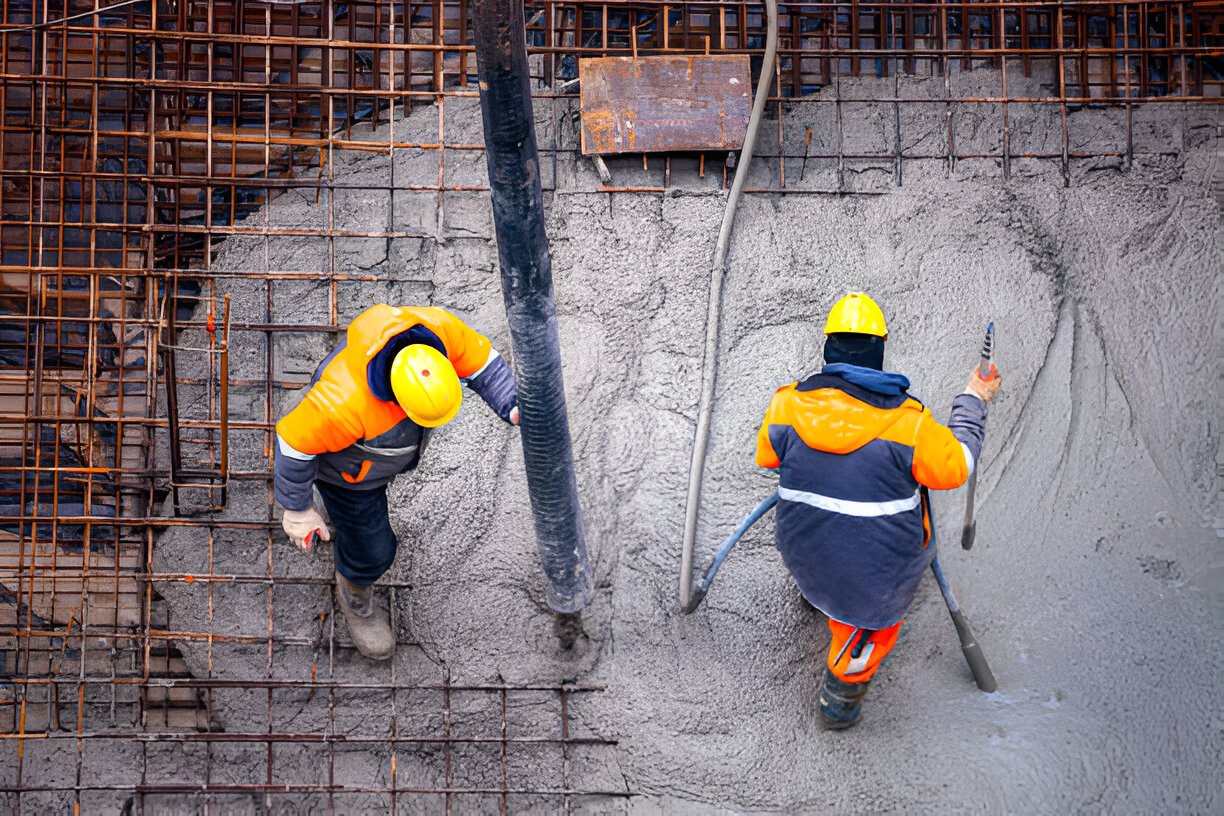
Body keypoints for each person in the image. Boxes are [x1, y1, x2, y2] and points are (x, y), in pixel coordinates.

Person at [754, 292, 1001, 729]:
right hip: (875, 577)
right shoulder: (911, 424)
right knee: (868, 630)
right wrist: (974, 398)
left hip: (802, 551)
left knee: (824, 562)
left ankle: (819, 598)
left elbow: (770, 457)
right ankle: (839, 700)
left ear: (829, 346)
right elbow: (959, 464)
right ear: (878, 349)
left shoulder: (786, 405)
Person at [274, 304, 518, 660]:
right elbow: (293, 443)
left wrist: (510, 401)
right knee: (374, 549)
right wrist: (297, 509)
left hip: (371, 452)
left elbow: (483, 364)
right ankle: (354, 593)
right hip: (348, 475)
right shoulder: (343, 403)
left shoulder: (439, 331)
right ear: (397, 398)